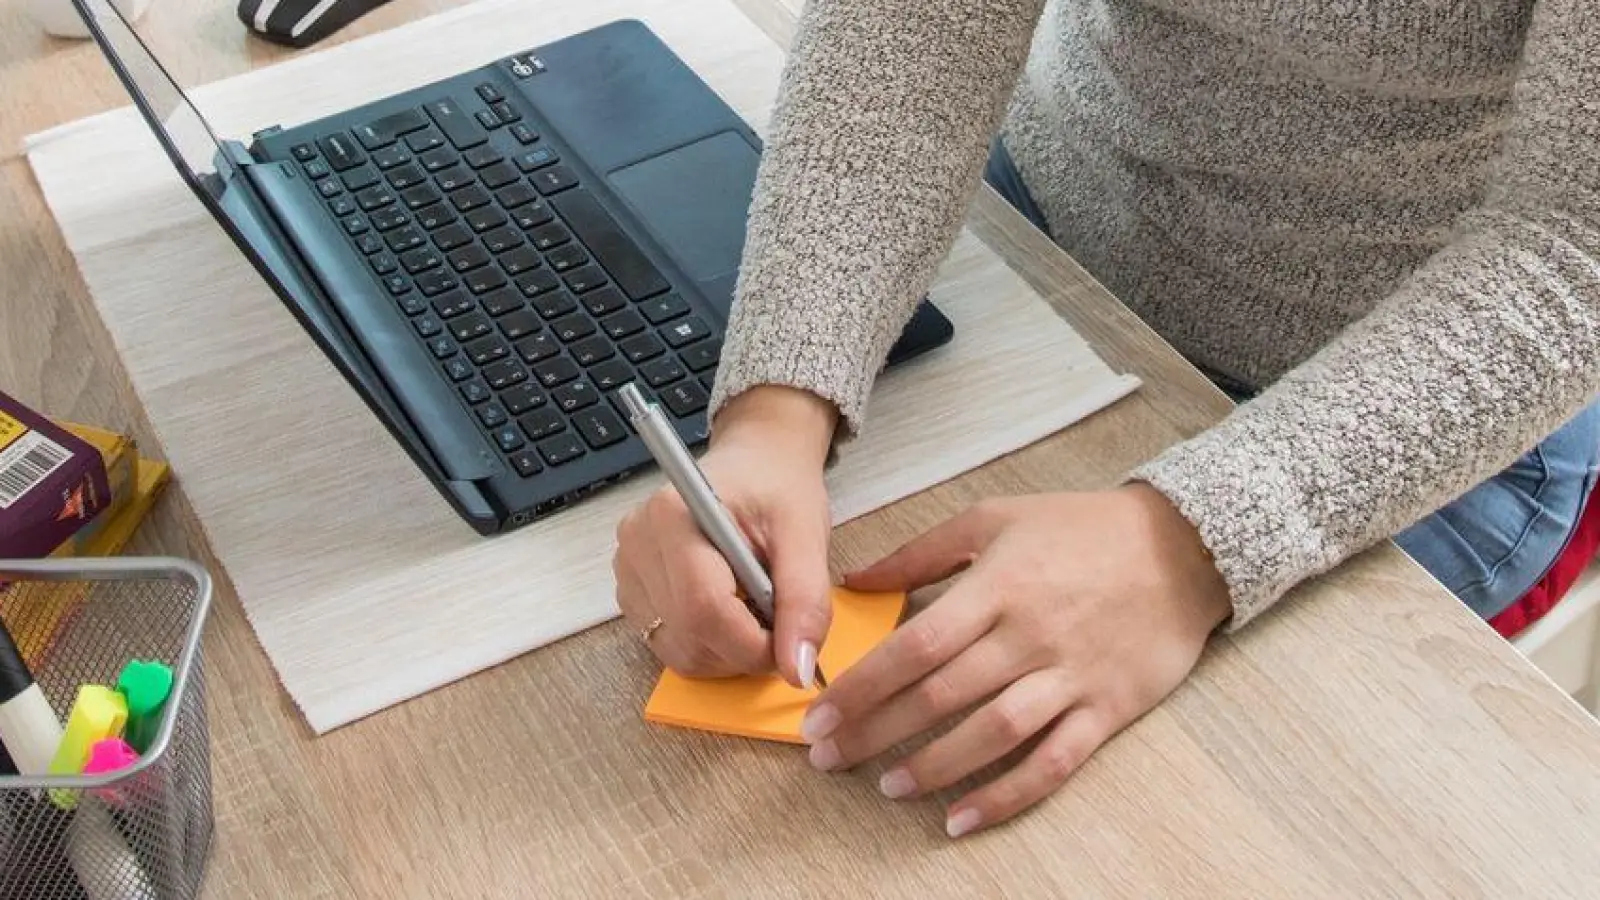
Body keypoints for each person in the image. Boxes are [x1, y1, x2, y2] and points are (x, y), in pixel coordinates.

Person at [612, 0, 1600, 839]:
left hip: (1408, 398)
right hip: (1051, 224)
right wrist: (775, 411)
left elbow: (1572, 250)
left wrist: (1194, 541)